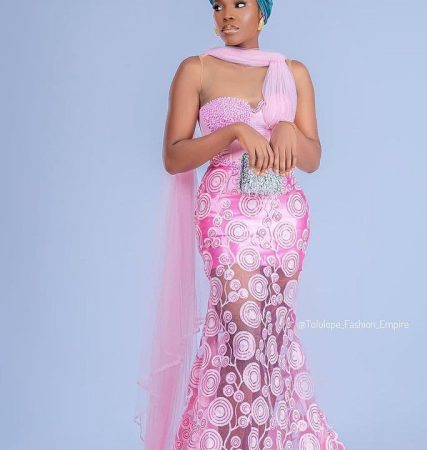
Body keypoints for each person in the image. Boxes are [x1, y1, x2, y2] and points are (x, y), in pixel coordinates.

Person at [135, 1, 346, 449]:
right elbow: (173, 156)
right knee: (241, 335)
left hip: (283, 215)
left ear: (263, 12)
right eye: (217, 6)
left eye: (239, 3)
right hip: (225, 211)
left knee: (274, 337)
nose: (226, 14)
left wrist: (288, 129)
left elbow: (312, 158)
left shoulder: (293, 71)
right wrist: (233, 132)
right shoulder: (196, 69)